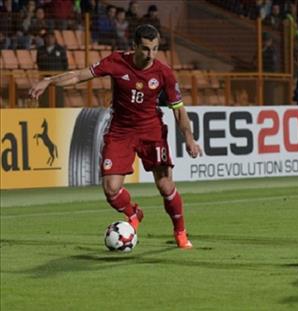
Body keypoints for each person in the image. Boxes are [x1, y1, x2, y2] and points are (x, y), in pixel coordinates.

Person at [29, 24, 202, 249]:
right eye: (146, 49)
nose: (151, 55)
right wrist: (49, 80)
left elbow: (179, 110)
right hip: (120, 131)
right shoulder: (116, 62)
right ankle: (134, 213)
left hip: (151, 131)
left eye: (155, 49)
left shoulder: (164, 73)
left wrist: (188, 138)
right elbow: (79, 75)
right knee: (111, 189)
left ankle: (180, 232)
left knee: (165, 186)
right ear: (134, 46)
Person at [36, 31, 68, 107]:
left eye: (51, 37)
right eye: (47, 37)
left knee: (58, 100)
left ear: (54, 38)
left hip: (58, 78)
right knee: (45, 100)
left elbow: (65, 64)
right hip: (45, 78)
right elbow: (39, 63)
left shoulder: (60, 49)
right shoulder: (40, 50)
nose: (49, 39)